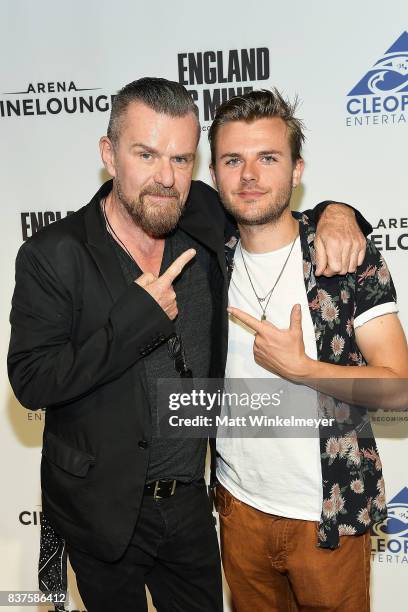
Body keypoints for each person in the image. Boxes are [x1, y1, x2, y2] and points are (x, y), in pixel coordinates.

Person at [8, 77, 368, 612]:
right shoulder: (54, 253)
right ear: (109, 154)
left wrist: (342, 212)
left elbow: (268, 198)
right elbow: (32, 381)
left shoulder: (197, 211)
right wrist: (138, 319)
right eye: (146, 154)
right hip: (101, 511)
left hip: (190, 508)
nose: (164, 177)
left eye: (180, 159)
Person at [209, 89, 408, 611]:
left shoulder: (345, 259)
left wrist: (304, 369)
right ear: (214, 174)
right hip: (238, 510)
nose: (249, 174)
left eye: (267, 157)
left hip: (329, 516)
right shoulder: (206, 261)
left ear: (297, 170)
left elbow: (400, 386)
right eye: (234, 159)